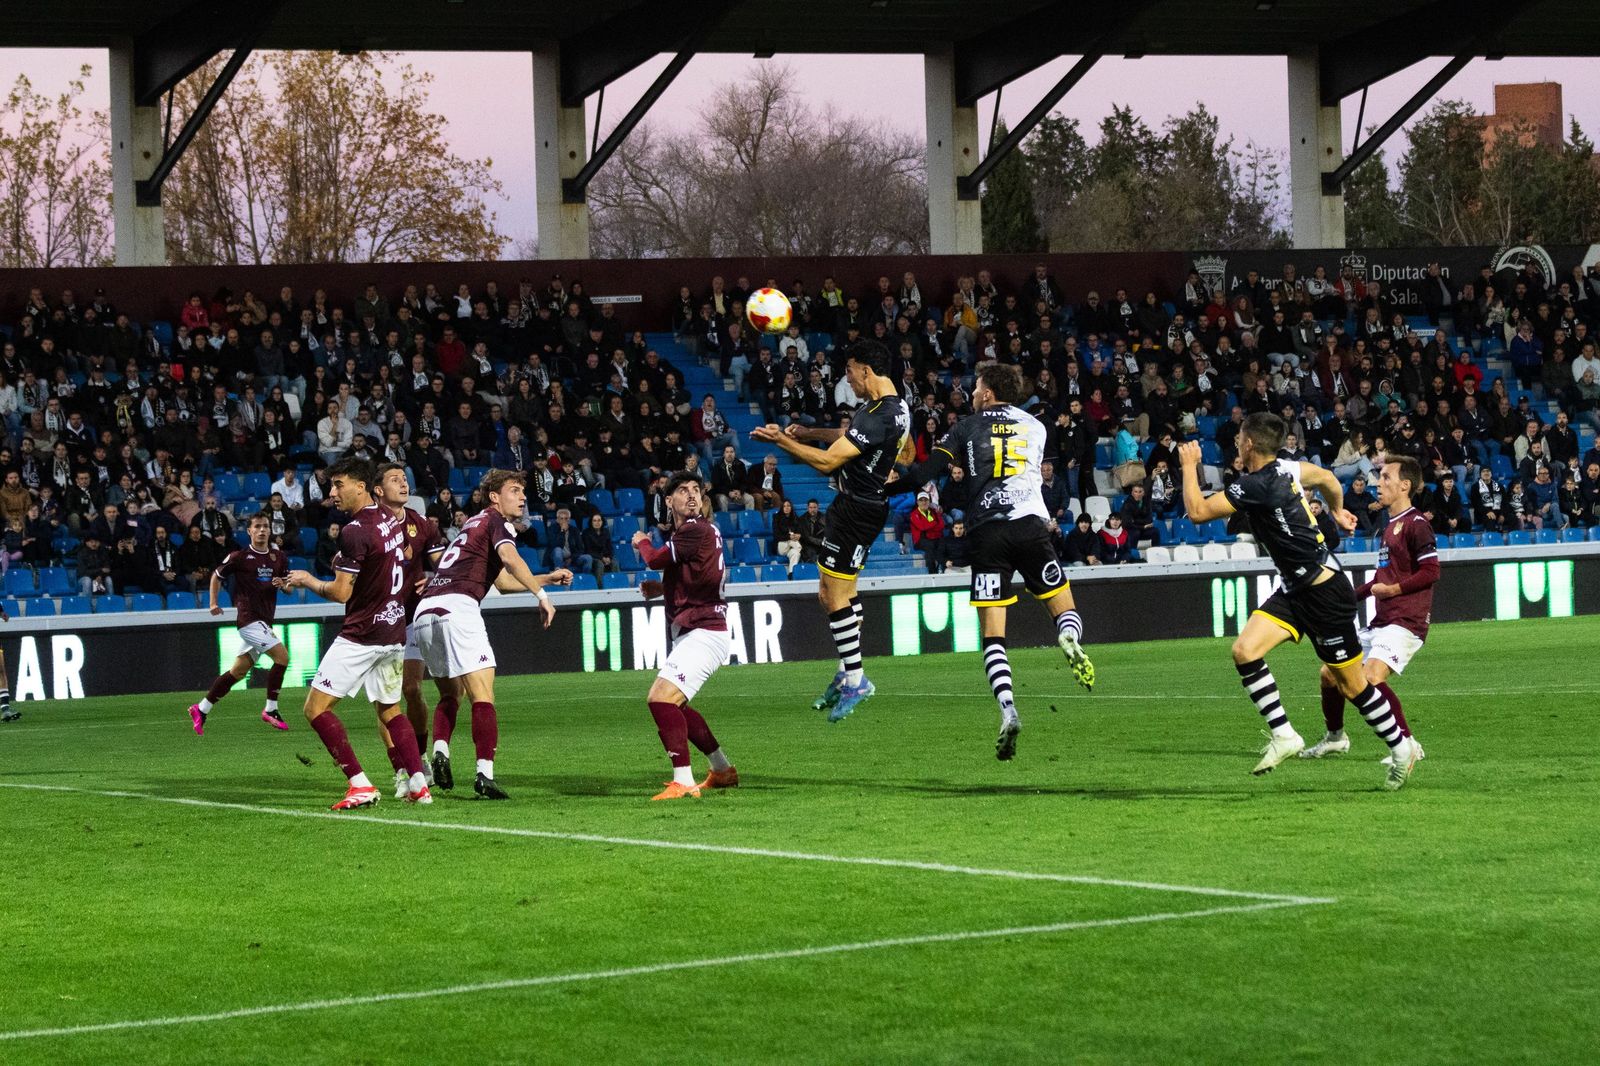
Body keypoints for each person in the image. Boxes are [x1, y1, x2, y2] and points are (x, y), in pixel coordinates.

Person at [1177, 413, 1421, 789]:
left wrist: (1188, 465)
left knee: (1353, 686)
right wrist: (1336, 510)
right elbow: (1326, 478)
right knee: (1245, 651)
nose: (1237, 442)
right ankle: (1285, 735)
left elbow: (1197, 512)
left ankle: (1402, 748)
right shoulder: (1287, 469)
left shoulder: (1255, 484)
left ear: (1249, 444)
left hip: (1325, 595)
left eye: (1240, 437)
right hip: (1295, 590)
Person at [889, 364, 1095, 760]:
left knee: (993, 636)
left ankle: (1008, 709)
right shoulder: (1036, 426)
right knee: (1064, 608)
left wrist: (892, 481)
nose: (971, 394)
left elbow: (926, 472)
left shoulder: (966, 426)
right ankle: (1069, 635)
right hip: (1030, 525)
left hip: (987, 533)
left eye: (976, 388)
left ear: (987, 393)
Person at [752, 339, 911, 721]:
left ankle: (856, 679)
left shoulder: (876, 415)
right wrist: (808, 433)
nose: (848, 380)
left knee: (833, 594)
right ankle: (846, 671)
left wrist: (782, 440)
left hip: (857, 509)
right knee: (836, 593)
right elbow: (860, 440)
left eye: (850, 372)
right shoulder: (896, 408)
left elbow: (827, 464)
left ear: (866, 370)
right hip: (861, 507)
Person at [281, 457, 430, 810]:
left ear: (361, 486)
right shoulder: (390, 519)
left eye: (339, 485)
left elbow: (340, 593)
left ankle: (360, 784)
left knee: (315, 709)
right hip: (394, 630)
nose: (333, 493)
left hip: (363, 634)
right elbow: (391, 560)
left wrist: (307, 580)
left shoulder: (354, 530)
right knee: (390, 710)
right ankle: (418, 785)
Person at [417, 470, 572, 800]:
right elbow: (510, 558)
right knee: (483, 695)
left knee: (450, 694)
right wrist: (542, 597)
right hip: (459, 607)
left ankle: (440, 751)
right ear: (494, 497)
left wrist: (546, 578)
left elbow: (501, 583)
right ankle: (484, 775)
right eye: (514, 490)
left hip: (426, 611)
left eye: (523, 491)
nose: (522, 497)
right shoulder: (495, 521)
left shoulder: (472, 525)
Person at [1303, 456, 1434, 767]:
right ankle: (1335, 738)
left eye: (1386, 478)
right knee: (1330, 674)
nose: (1378, 483)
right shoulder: (1390, 527)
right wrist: (1346, 597)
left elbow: (1431, 571)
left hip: (1406, 620)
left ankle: (1407, 744)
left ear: (1405, 485)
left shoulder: (1417, 524)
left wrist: (1393, 590)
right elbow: (1380, 579)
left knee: (1370, 677)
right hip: (1383, 620)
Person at [628, 472, 739, 800]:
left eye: (696, 490)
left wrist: (641, 541)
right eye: (682, 490)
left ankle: (683, 780)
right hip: (701, 630)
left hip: (704, 631)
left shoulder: (694, 529)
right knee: (678, 705)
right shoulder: (698, 532)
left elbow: (654, 559)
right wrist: (663, 589)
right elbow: (700, 578)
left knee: (661, 699)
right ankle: (722, 770)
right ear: (669, 500)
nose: (691, 495)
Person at [375, 464, 449, 800]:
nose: (403, 483)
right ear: (378, 490)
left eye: (405, 478)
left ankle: (418, 757)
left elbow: (445, 567)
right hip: (379, 621)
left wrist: (434, 579)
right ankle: (401, 770)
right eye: (395, 480)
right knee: (386, 699)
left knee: (412, 689)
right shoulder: (367, 525)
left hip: (412, 617)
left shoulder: (422, 525)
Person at [187, 513, 292, 734]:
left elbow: (289, 587)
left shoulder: (279, 557)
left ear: (270, 530)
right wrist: (213, 602)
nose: (262, 530)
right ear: (249, 531)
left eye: (265, 526)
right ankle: (271, 709)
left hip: (265, 622)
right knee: (282, 657)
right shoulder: (240, 557)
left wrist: (283, 584)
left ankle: (201, 708)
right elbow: (217, 575)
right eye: (257, 526)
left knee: (238, 671)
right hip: (249, 619)